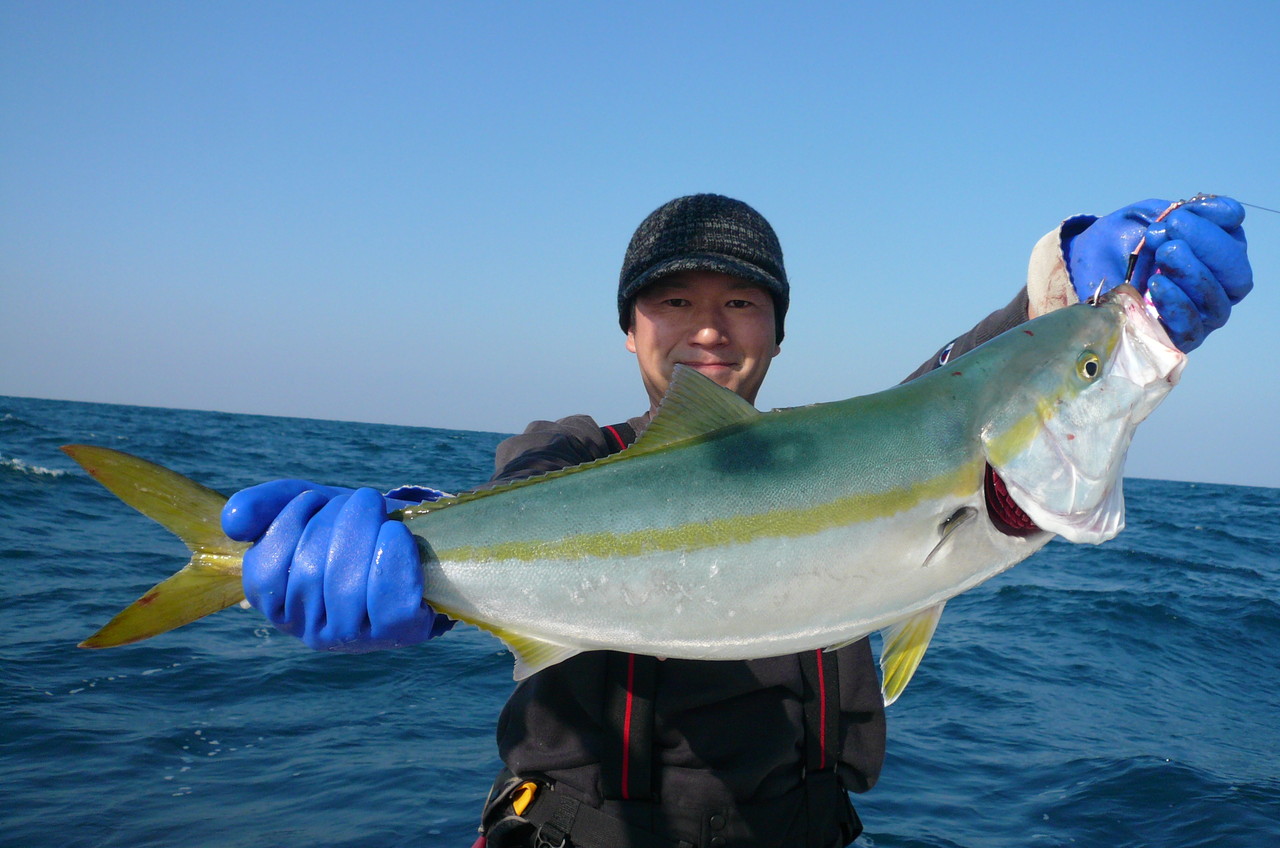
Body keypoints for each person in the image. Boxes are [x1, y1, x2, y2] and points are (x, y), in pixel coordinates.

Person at [222, 193, 1252, 847]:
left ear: (776, 330)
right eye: (671, 301)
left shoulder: (838, 452)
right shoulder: (571, 453)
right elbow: (517, 505)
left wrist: (1061, 291)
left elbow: (939, 408)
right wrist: (399, 535)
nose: (708, 325)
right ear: (627, 330)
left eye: (740, 302)